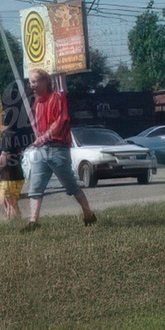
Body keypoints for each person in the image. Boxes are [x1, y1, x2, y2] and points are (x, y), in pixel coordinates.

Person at [27, 68, 97, 227]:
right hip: (41, 149)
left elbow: (60, 121)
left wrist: (43, 137)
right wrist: (38, 138)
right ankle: (33, 221)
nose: (32, 85)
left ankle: (88, 214)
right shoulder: (36, 102)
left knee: (71, 185)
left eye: (35, 81)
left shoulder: (57, 97)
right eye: (30, 82)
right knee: (35, 187)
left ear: (45, 82)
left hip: (58, 148)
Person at [0, 109, 27, 220]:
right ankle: (12, 221)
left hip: (11, 176)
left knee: (10, 202)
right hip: (12, 175)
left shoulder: (9, 134)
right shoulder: (17, 132)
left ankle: (16, 222)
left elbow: (4, 156)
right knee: (4, 201)